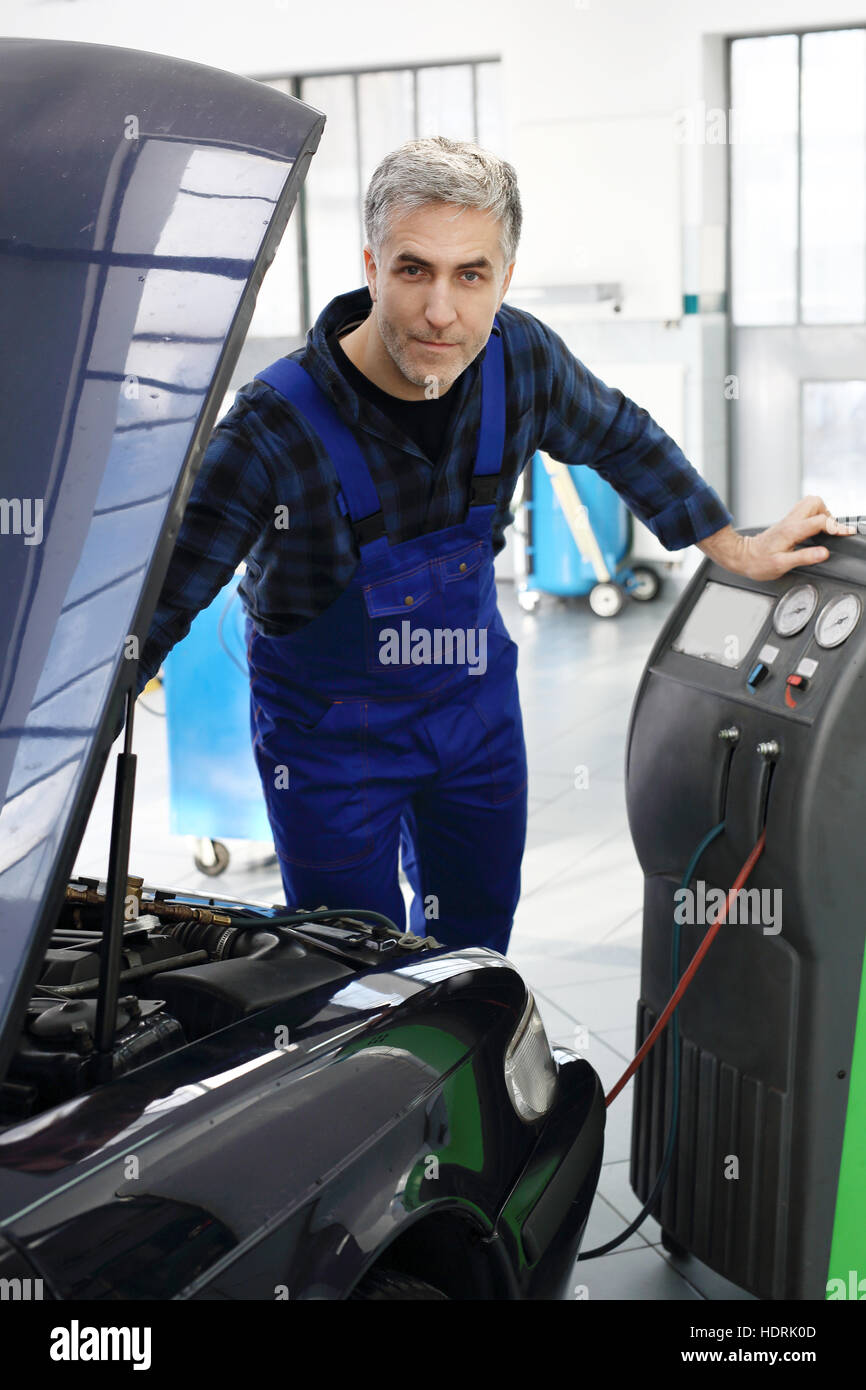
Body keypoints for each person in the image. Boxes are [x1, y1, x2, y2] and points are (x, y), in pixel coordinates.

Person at [137, 135, 843, 955]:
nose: (443, 311)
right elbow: (167, 593)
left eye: (470, 275)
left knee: (473, 949)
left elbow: (623, 438)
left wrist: (735, 548)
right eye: (413, 270)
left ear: (503, 278)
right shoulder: (273, 427)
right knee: (347, 969)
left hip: (472, 715)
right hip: (329, 748)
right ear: (370, 266)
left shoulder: (522, 361)